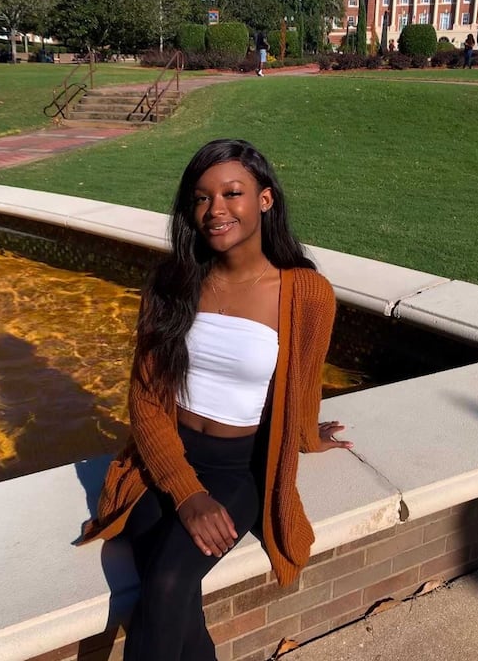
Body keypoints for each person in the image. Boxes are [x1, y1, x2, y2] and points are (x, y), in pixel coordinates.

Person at [77, 138, 352, 661]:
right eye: (201, 198)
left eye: (232, 193)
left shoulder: (305, 293)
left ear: (265, 200)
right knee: (175, 593)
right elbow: (146, 401)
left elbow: (301, 384)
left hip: (238, 469)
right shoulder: (170, 282)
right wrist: (185, 493)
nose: (216, 210)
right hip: (161, 461)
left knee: (166, 581)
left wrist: (306, 434)